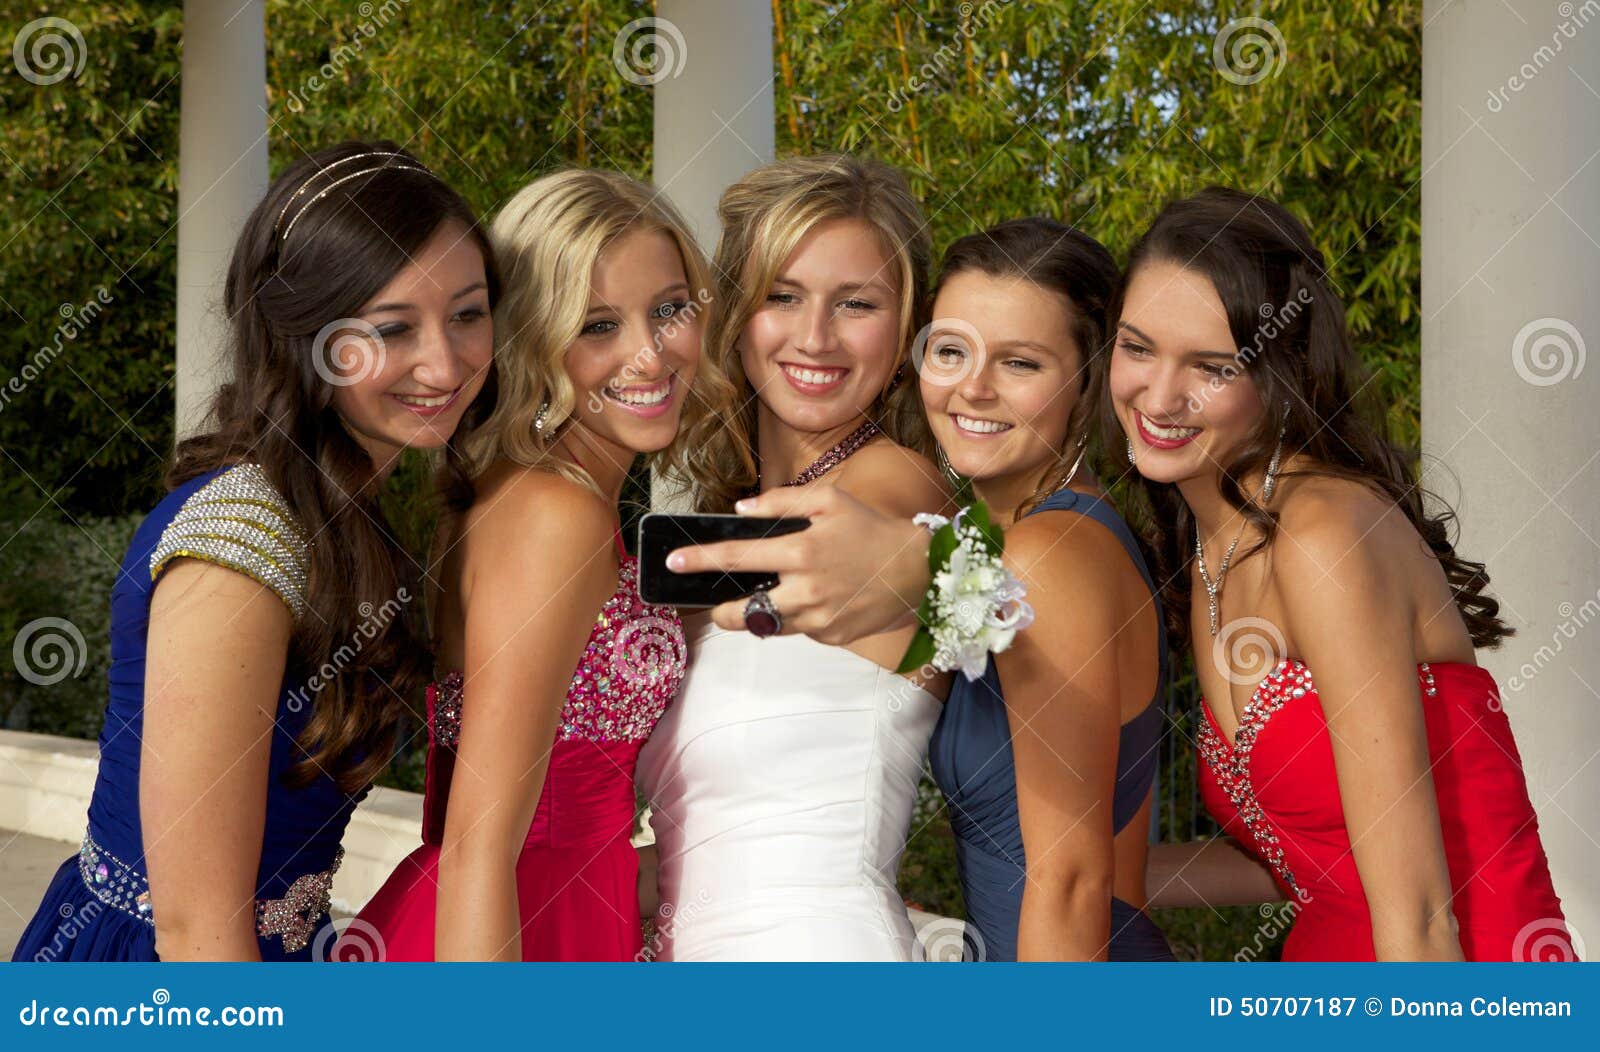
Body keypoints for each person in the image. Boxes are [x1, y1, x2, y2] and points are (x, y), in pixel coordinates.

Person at [13, 141, 497, 961]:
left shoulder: (350, 509)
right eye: (391, 328)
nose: (444, 362)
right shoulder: (241, 540)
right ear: (303, 334)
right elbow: (195, 927)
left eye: (468, 313)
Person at [1113, 187, 1570, 961]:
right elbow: (1313, 860)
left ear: (1281, 372)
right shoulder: (1209, 547)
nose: (1159, 396)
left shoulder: (1322, 534)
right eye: (1137, 347)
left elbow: (1421, 914)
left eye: (1212, 366)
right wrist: (1095, 874)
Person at [338, 168, 708, 961]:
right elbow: (479, 847)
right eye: (598, 325)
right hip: (521, 929)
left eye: (671, 309)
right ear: (535, 338)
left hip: (569, 906)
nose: (650, 353)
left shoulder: (521, 492)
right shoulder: (555, 515)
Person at [635, 153, 952, 960]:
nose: (815, 337)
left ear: (906, 326)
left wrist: (930, 566)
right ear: (736, 311)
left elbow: (939, 572)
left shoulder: (890, 483)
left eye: (857, 304)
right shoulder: (734, 513)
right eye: (783, 295)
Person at [918, 218, 1173, 960]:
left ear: (1087, 380)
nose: (973, 387)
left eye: (1020, 363)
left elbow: (1069, 881)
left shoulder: (1049, 552)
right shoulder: (1006, 539)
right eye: (951, 350)